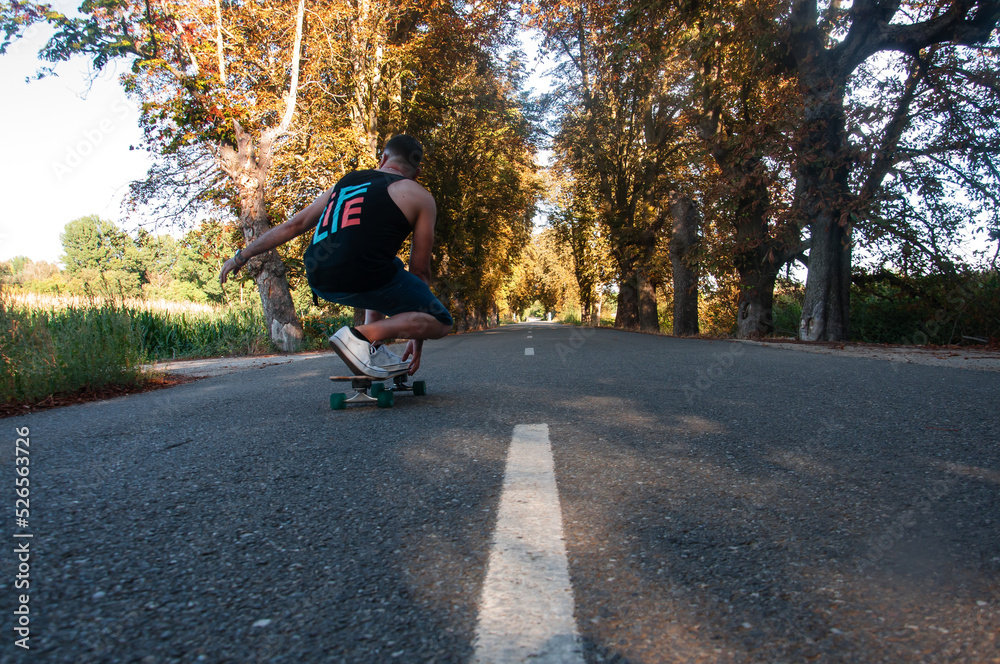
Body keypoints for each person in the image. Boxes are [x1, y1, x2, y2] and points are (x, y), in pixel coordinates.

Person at [219, 134, 453, 377]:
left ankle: (372, 350)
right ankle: (359, 337)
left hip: (321, 277)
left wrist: (241, 256)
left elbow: (294, 225)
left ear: (383, 158)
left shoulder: (347, 182)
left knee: (390, 266)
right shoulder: (420, 196)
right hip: (363, 275)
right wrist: (418, 324)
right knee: (442, 322)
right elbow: (419, 272)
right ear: (417, 173)